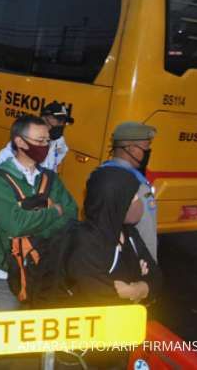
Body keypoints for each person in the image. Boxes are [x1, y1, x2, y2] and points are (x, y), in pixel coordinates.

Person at [66, 165, 162, 368]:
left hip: (122, 343)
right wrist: (141, 284)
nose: (140, 203)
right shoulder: (85, 242)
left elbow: (157, 277)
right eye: (134, 198)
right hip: (89, 352)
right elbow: (99, 297)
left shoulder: (129, 233)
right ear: (114, 202)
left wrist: (136, 289)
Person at [0, 115, 77, 310]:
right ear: (20, 142)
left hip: (45, 269)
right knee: (2, 336)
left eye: (47, 141)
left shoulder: (50, 178)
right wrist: (53, 211)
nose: (45, 146)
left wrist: (33, 224)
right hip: (7, 273)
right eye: (39, 141)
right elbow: (14, 225)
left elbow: (71, 213)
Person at [103, 122, 158, 261]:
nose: (148, 152)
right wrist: (151, 268)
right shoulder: (134, 185)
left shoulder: (103, 173)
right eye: (146, 148)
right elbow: (146, 232)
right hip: (134, 264)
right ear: (131, 149)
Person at [0, 100, 73, 172]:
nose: (61, 125)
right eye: (58, 121)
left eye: (63, 122)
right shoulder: (26, 139)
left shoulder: (58, 141)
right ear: (44, 119)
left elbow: (55, 162)